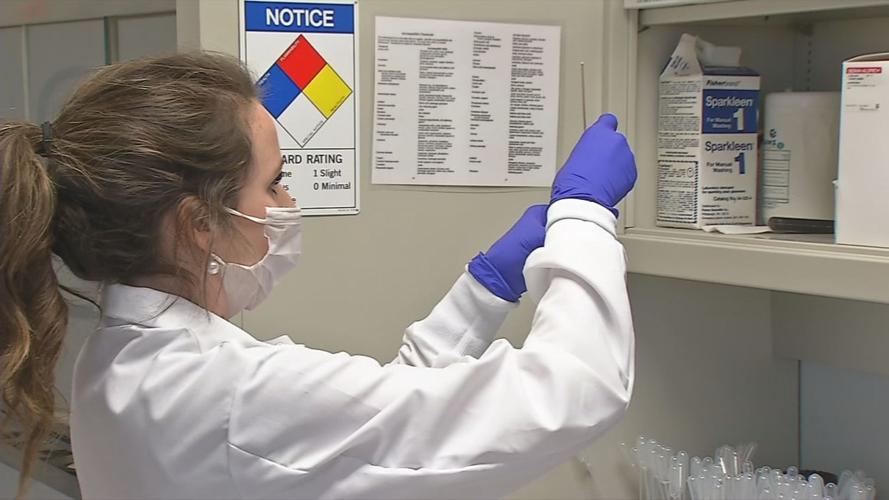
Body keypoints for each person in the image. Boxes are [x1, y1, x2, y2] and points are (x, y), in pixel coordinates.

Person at [0, 52, 637, 499]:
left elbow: (375, 426)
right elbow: (572, 394)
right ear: (198, 222)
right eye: (273, 183)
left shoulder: (122, 359)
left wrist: (483, 292)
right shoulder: (224, 393)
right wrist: (584, 216)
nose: (287, 203)